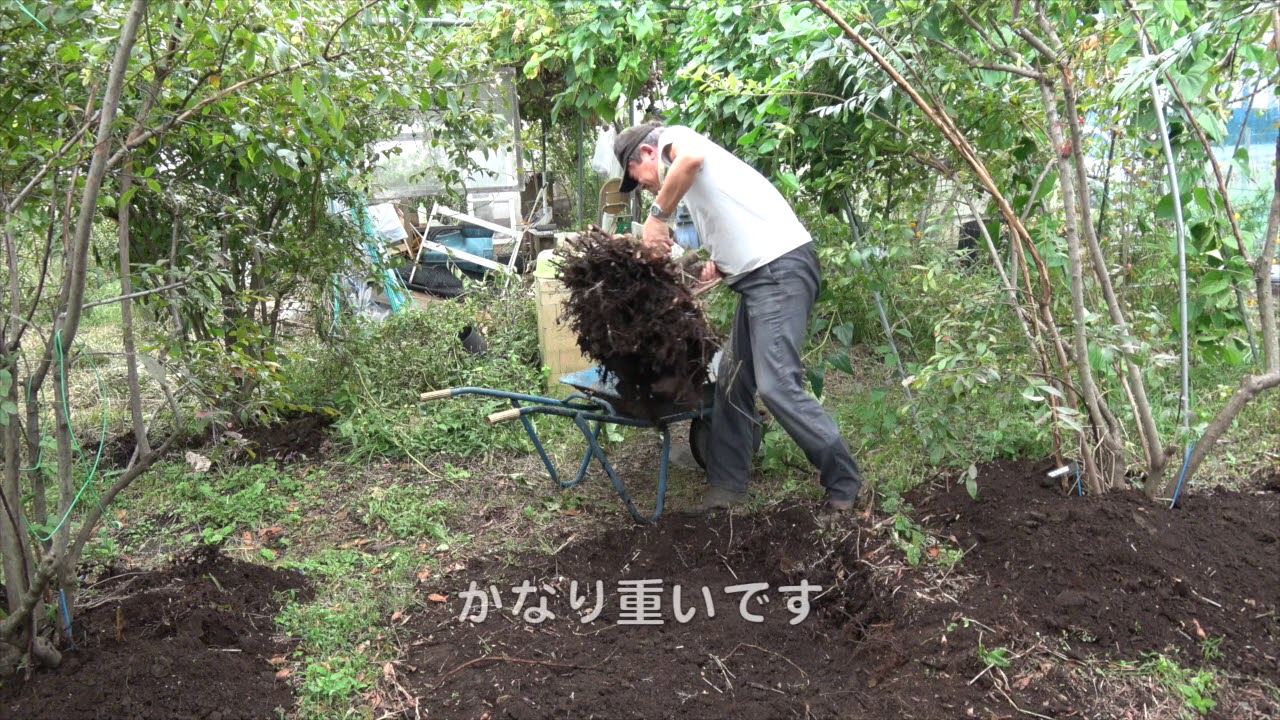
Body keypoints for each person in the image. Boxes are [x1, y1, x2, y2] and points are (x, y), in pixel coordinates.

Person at [613, 121, 869, 515]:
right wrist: (719, 259)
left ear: (647, 154)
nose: (645, 187)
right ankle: (726, 489)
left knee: (776, 385)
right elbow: (731, 216)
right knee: (732, 381)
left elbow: (691, 159)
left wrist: (657, 216)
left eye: (637, 178)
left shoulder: (674, 140)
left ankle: (844, 485)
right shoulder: (690, 180)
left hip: (779, 272)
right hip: (759, 276)